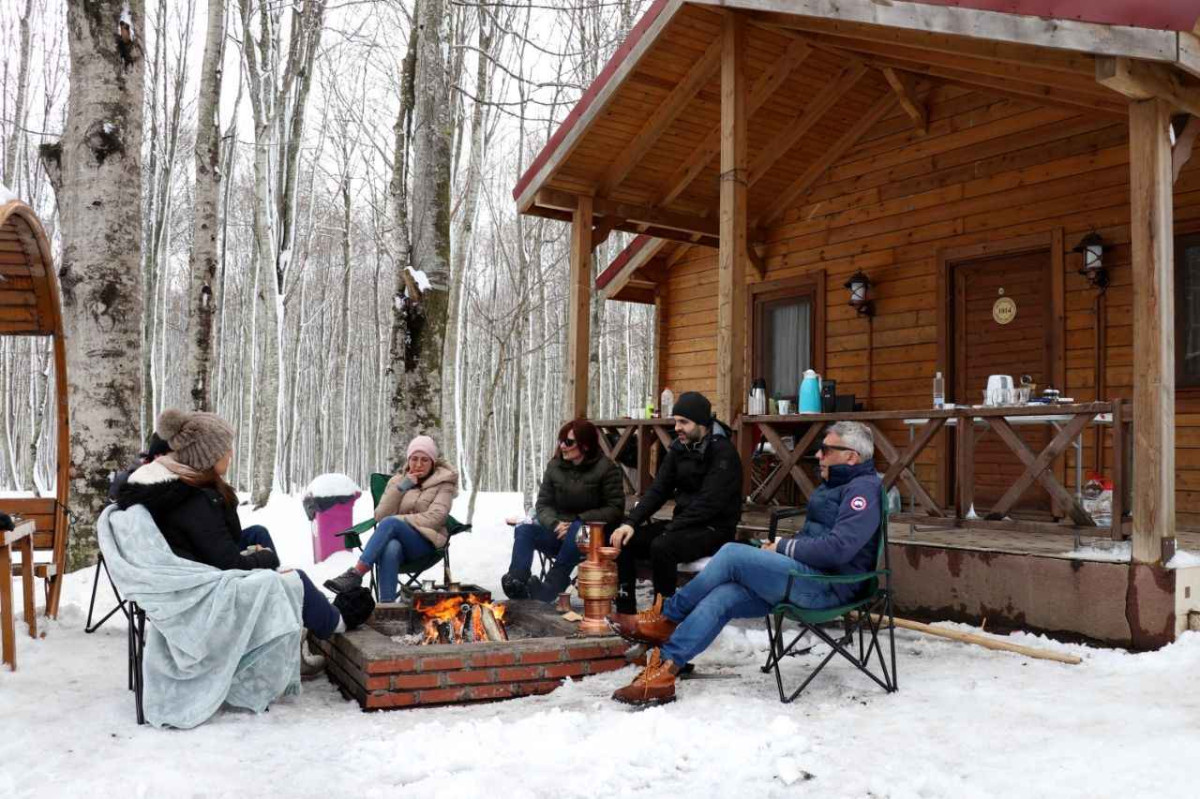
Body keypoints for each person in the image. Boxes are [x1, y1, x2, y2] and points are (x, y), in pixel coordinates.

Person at [609, 421, 883, 706]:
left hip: (830, 587)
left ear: (851, 456)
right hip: (806, 578)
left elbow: (838, 549)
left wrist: (785, 547)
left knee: (730, 554)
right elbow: (818, 538)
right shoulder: (835, 486)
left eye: (826, 450)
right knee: (722, 596)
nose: (818, 455)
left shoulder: (862, 491)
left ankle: (667, 617)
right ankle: (665, 672)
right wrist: (776, 552)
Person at [117, 408, 373, 639]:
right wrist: (267, 558)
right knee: (296, 578)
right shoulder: (194, 500)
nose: (231, 453)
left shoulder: (187, 489)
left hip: (196, 576)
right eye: (225, 448)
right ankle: (334, 623)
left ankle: (296, 616)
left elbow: (219, 543)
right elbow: (230, 563)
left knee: (270, 555)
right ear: (209, 455)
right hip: (207, 594)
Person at [607, 391, 743, 620]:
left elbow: (709, 504)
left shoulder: (723, 453)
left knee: (662, 546)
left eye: (683, 422)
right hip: (684, 526)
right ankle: (625, 613)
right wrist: (631, 523)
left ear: (702, 424)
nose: (677, 427)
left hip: (715, 529)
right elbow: (658, 490)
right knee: (624, 539)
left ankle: (664, 615)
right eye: (676, 421)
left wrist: (671, 528)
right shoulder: (680, 449)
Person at [500, 419, 625, 601]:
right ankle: (517, 579)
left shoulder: (607, 468)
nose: (563, 446)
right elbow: (542, 505)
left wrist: (579, 520)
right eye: (561, 441)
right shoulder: (554, 466)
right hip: (558, 532)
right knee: (524, 529)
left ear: (586, 445)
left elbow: (615, 509)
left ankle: (552, 585)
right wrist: (556, 524)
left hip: (592, 537)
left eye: (569, 442)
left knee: (579, 529)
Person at [324, 436, 459, 601]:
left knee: (391, 522)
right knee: (390, 547)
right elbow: (380, 515)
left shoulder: (444, 483)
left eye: (425, 460)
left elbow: (436, 517)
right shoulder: (397, 482)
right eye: (414, 459)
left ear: (432, 462)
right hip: (399, 547)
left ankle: (356, 573)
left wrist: (400, 521)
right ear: (408, 460)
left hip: (426, 544)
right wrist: (402, 487)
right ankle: (387, 607)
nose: (418, 464)